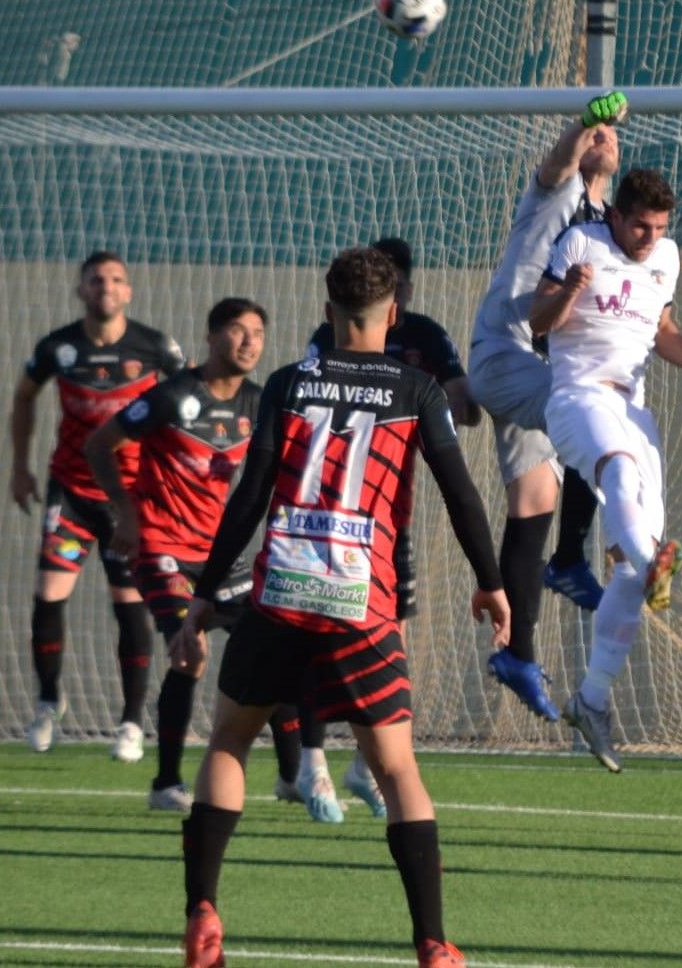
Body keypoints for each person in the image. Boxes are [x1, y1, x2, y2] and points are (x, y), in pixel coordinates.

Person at [172, 247, 509, 968]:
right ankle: (432, 942)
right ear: (394, 313)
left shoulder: (290, 383)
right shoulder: (417, 389)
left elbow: (251, 494)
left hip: (281, 594)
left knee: (230, 741)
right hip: (362, 601)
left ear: (327, 314)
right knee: (395, 771)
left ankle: (204, 908)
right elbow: (460, 492)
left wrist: (203, 597)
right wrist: (492, 579)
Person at [531, 167, 682, 772]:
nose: (650, 237)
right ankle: (655, 562)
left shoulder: (667, 256)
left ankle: (592, 699)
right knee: (619, 474)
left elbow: (662, 329)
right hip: (576, 396)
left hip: (633, 407)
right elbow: (537, 323)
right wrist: (569, 289)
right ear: (616, 217)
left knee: (625, 570)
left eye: (659, 228)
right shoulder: (580, 243)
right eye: (640, 226)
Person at [85, 297, 303, 812]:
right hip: (162, 551)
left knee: (271, 647)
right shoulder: (172, 396)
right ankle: (165, 785)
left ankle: (294, 778)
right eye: (237, 330)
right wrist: (127, 513)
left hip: (222, 557)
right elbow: (99, 444)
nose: (249, 342)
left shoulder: (259, 402)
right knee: (191, 654)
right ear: (210, 336)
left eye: (258, 333)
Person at [293, 235, 475, 823]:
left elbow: (464, 404)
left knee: (387, 634)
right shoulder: (326, 345)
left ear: (404, 295)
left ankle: (363, 764)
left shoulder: (425, 337)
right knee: (318, 632)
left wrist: (443, 399)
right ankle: (312, 761)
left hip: (389, 521)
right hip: (325, 521)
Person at [467, 91, 626, 723]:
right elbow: (559, 162)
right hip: (505, 354)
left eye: (612, 140)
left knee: (534, 505)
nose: (605, 144)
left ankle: (517, 655)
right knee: (589, 415)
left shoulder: (606, 222)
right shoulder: (556, 196)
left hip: (543, 372)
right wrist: (583, 125)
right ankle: (570, 558)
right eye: (600, 138)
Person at [9, 251, 186, 759]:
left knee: (129, 606)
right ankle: (48, 701)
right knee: (48, 594)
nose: (105, 287)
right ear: (81, 290)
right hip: (71, 493)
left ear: (128, 291)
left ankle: (131, 723)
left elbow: (188, 402)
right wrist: (19, 466)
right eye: (95, 280)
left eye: (115, 280)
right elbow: (24, 396)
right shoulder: (59, 347)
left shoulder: (156, 348)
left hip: (128, 502)